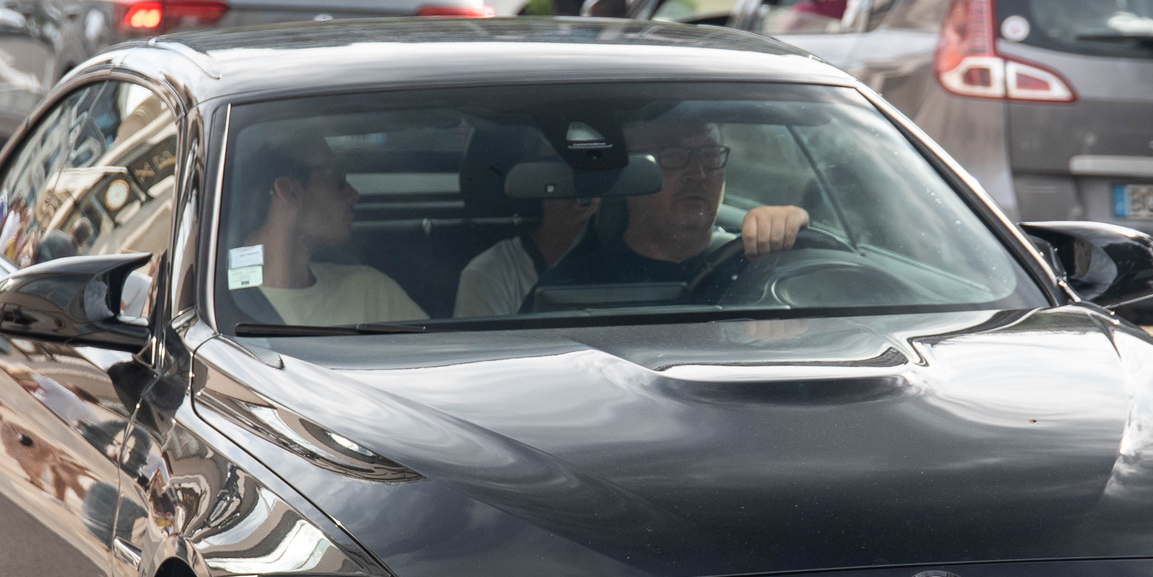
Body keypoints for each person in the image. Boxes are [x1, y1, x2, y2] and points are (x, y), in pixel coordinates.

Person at [539, 117, 809, 293]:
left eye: (710, 155)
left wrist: (794, 231)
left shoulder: (757, 262)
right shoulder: (570, 287)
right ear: (630, 176)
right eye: (674, 156)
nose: (699, 174)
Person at [228, 130, 425, 327]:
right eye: (338, 177)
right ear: (291, 191)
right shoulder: (216, 305)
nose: (354, 194)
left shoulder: (370, 291)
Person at [455, 197, 597, 317]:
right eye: (566, 180)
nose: (580, 196)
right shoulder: (487, 274)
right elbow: (485, 348)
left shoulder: (613, 268)